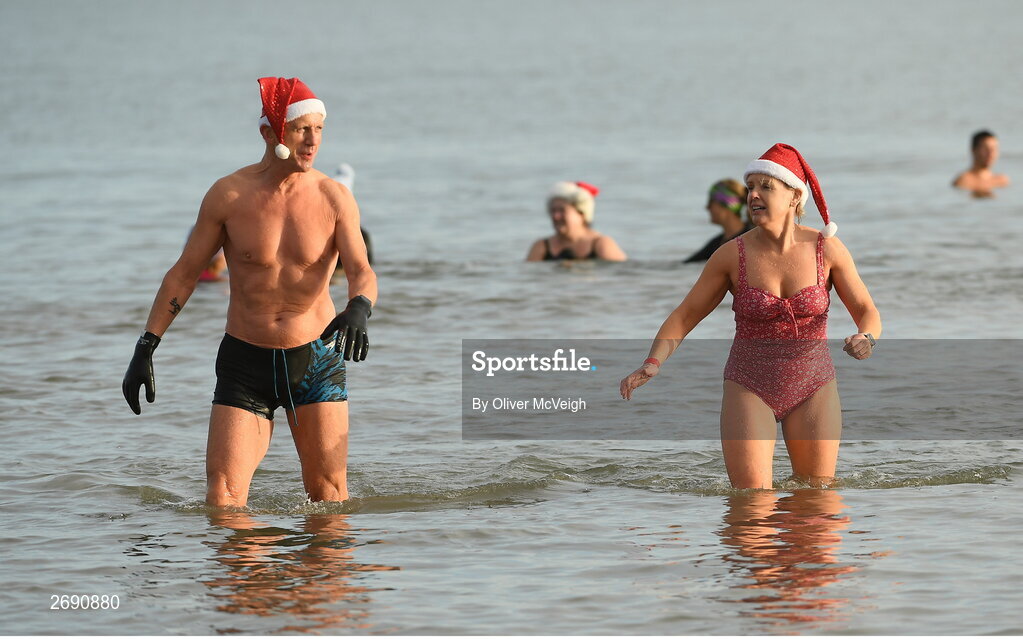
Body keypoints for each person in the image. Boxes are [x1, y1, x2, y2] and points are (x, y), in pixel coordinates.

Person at [122, 77, 377, 508]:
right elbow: (184, 275)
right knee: (222, 499)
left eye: (319, 129)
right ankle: (255, 576)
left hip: (316, 358)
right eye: (302, 130)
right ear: (270, 133)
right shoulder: (229, 196)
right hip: (245, 361)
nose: (313, 141)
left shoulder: (334, 198)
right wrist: (146, 346)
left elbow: (362, 270)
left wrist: (360, 307)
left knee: (328, 497)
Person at [620, 144, 881, 489]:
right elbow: (685, 316)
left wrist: (867, 337)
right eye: (750, 188)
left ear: (793, 196)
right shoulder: (731, 255)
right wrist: (654, 361)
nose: (753, 195)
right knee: (750, 512)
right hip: (749, 385)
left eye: (766, 187)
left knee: (817, 508)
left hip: (814, 385)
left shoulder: (827, 249)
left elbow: (867, 310)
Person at [526, 181, 627, 261]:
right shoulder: (542, 247)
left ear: (581, 214)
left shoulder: (601, 244)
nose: (556, 216)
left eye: (562, 211)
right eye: (553, 211)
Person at [683, 178, 754, 263]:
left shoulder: (752, 238)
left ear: (727, 206)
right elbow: (686, 264)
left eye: (711, 202)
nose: (707, 207)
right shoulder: (716, 243)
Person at [952, 130, 1010, 197]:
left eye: (994, 149)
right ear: (974, 150)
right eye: (986, 149)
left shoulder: (1002, 181)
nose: (990, 153)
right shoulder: (963, 182)